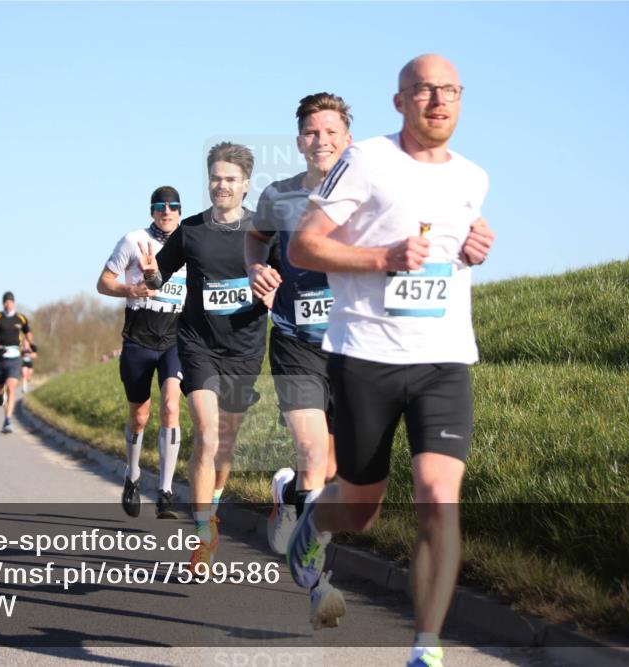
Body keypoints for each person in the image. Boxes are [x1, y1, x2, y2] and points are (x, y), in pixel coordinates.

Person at [286, 55, 496, 667]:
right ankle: (312, 526)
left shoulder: (473, 177)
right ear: (399, 101)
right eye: (423, 90)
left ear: (462, 99)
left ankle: (426, 650)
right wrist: (383, 258)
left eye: (449, 90)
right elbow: (304, 245)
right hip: (365, 356)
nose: (438, 100)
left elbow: (457, 240)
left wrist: (479, 244)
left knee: (438, 494)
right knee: (362, 507)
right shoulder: (367, 159)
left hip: (444, 358)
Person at [246, 92, 351, 628]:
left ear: (347, 138)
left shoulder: (367, 195)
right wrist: (254, 270)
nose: (321, 140)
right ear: (298, 141)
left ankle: (287, 492)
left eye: (331, 131)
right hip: (294, 343)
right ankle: (316, 582)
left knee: (332, 473)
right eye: (312, 132)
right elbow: (256, 239)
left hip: (351, 348)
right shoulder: (279, 196)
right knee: (313, 455)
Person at [141, 143, 268, 573]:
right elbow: (159, 272)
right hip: (198, 345)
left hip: (246, 348)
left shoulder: (263, 233)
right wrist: (150, 274)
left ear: (246, 184)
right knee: (207, 436)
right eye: (215, 177)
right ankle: (200, 536)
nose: (221, 185)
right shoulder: (191, 231)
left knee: (226, 444)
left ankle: (211, 507)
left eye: (230, 179)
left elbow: (287, 278)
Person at [96, 186, 187, 519]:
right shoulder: (133, 240)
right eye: (161, 207)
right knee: (140, 415)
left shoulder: (189, 241)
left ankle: (165, 491)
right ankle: (132, 476)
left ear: (179, 210)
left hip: (174, 337)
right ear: (152, 211)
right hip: (139, 336)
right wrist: (129, 288)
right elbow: (102, 282)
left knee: (171, 407)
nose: (167, 212)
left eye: (173, 206)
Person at [0, 291, 34, 434]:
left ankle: (7, 420)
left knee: (11, 387)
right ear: (3, 303)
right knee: (0, 387)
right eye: (6, 301)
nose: (8, 304)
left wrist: (31, 343)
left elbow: (28, 332)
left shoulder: (21, 318)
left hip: (14, 357)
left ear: (14, 303)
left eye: (10, 301)